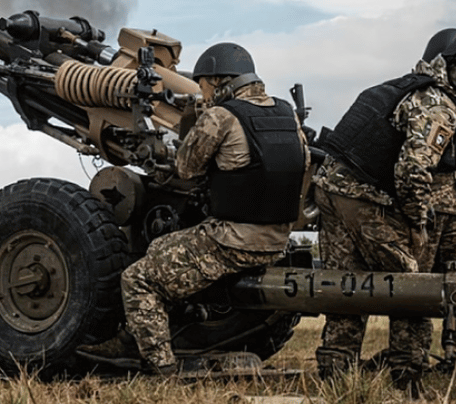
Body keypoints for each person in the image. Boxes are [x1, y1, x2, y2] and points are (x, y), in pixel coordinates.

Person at [79, 43, 309, 375]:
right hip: (277, 241)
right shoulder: (288, 114)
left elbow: (186, 169)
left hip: (232, 242)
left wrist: (199, 118)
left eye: (201, 84)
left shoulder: (221, 116)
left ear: (217, 80)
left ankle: (161, 367)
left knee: (139, 278)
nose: (201, 91)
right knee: (162, 248)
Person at [313, 28, 456, 396]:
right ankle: (408, 372)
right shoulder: (439, 105)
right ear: (454, 67)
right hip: (365, 199)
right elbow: (412, 170)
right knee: (410, 284)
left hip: (333, 191)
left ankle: (337, 372)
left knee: (345, 282)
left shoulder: (410, 89)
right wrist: (417, 222)